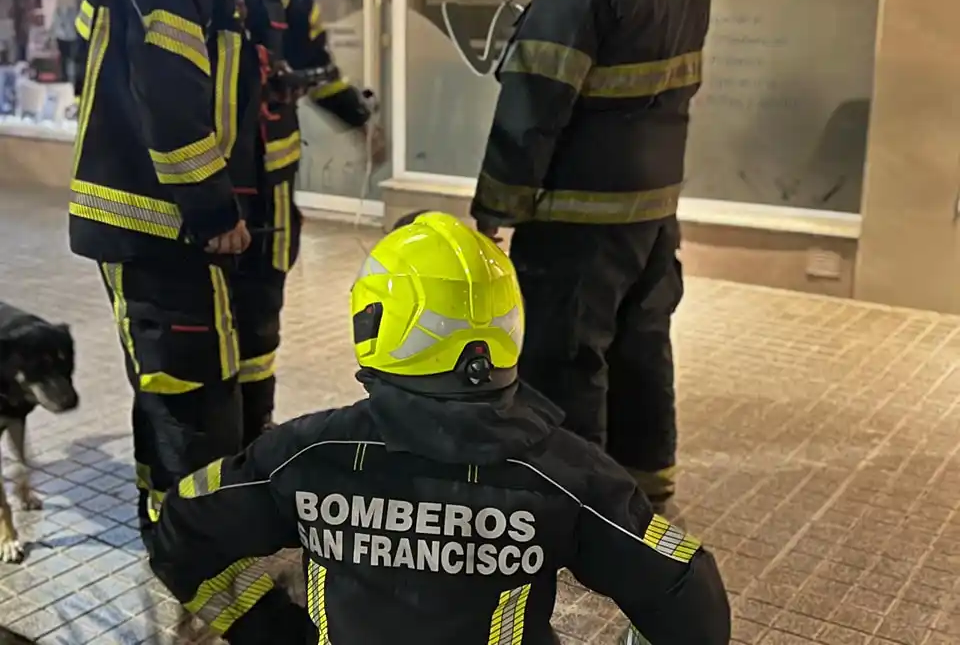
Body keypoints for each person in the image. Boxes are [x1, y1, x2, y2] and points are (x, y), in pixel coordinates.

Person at [149, 211, 731, 645]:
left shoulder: (304, 456)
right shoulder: (570, 478)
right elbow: (693, 606)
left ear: (374, 323)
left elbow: (181, 531)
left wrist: (274, 633)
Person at [470, 0, 711, 513]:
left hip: (577, 219)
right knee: (641, 344)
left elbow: (534, 105)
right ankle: (646, 477)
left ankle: (570, 501)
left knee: (562, 358)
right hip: (651, 213)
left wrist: (496, 206)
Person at [69, 0, 298, 549]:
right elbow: (168, 87)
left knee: (203, 380)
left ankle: (200, 526)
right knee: (182, 389)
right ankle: (183, 542)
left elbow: (91, 41)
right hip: (153, 219)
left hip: (171, 220)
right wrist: (210, 206)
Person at [175, 0, 381, 447]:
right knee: (197, 320)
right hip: (200, 175)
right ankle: (208, 444)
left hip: (269, 175)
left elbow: (314, 59)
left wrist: (356, 117)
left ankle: (252, 435)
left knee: (260, 312)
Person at [51, 0, 85, 87]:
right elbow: (58, 13)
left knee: (77, 73)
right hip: (66, 36)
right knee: (69, 73)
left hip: (77, 36)